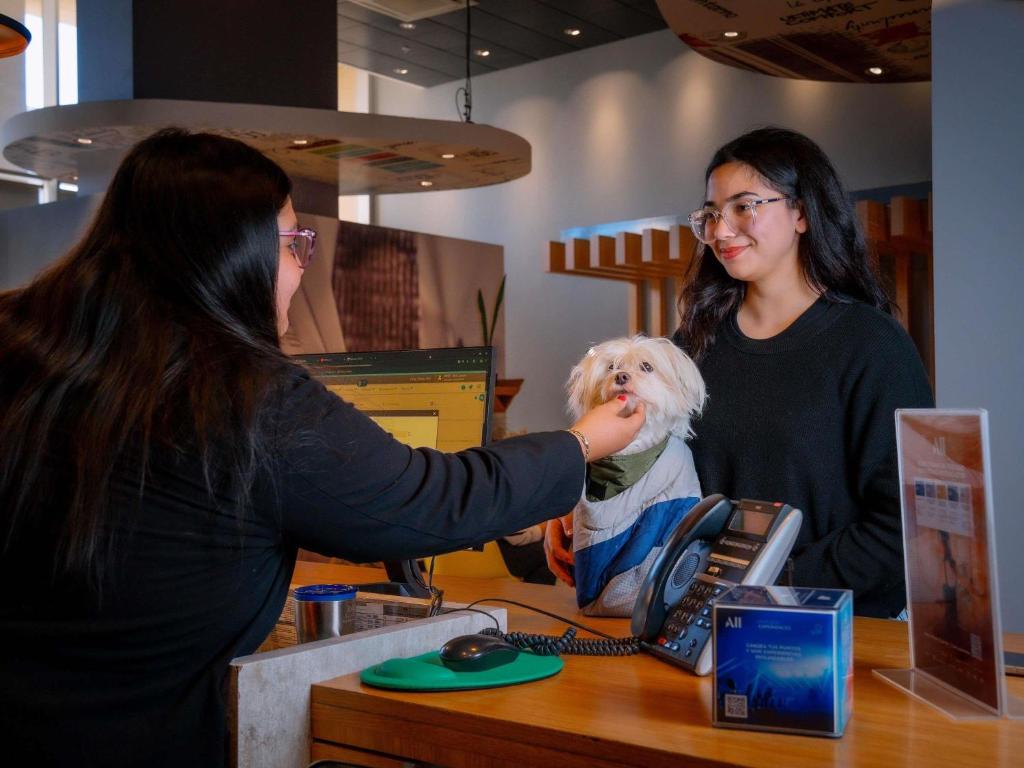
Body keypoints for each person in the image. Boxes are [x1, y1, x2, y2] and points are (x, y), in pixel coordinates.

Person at [0, 129, 645, 768]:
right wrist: (584, 440)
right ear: (232, 254)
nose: (302, 262)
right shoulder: (241, 393)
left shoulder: (25, 339)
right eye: (291, 243)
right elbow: (428, 499)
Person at [545, 127, 932, 618]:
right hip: (699, 621)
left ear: (802, 212)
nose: (722, 231)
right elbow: (647, 459)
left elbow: (907, 525)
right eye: (711, 215)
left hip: (833, 628)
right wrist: (584, 506)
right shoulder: (692, 346)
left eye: (744, 206)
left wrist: (762, 586)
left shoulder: (871, 344)